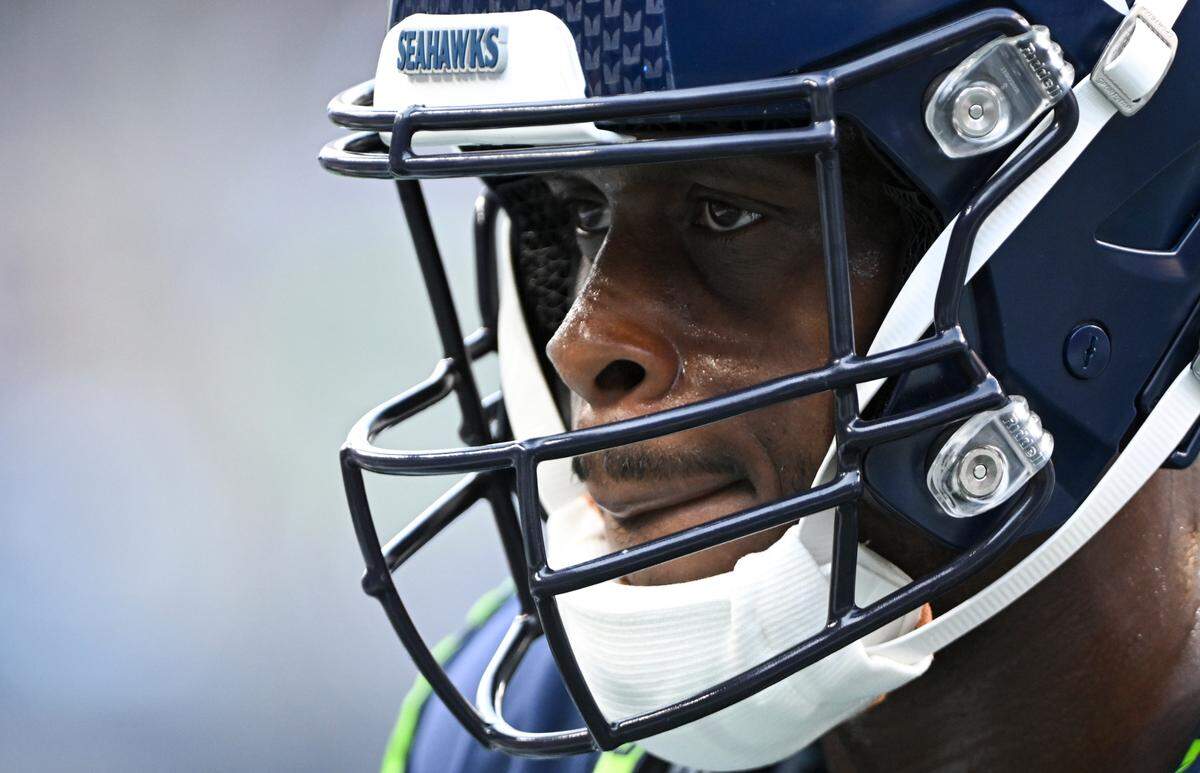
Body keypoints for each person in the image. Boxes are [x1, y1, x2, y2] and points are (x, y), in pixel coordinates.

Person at [319, 1, 1200, 770]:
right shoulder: (510, 735)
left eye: (726, 212)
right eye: (582, 213)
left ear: (1080, 279)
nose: (579, 343)